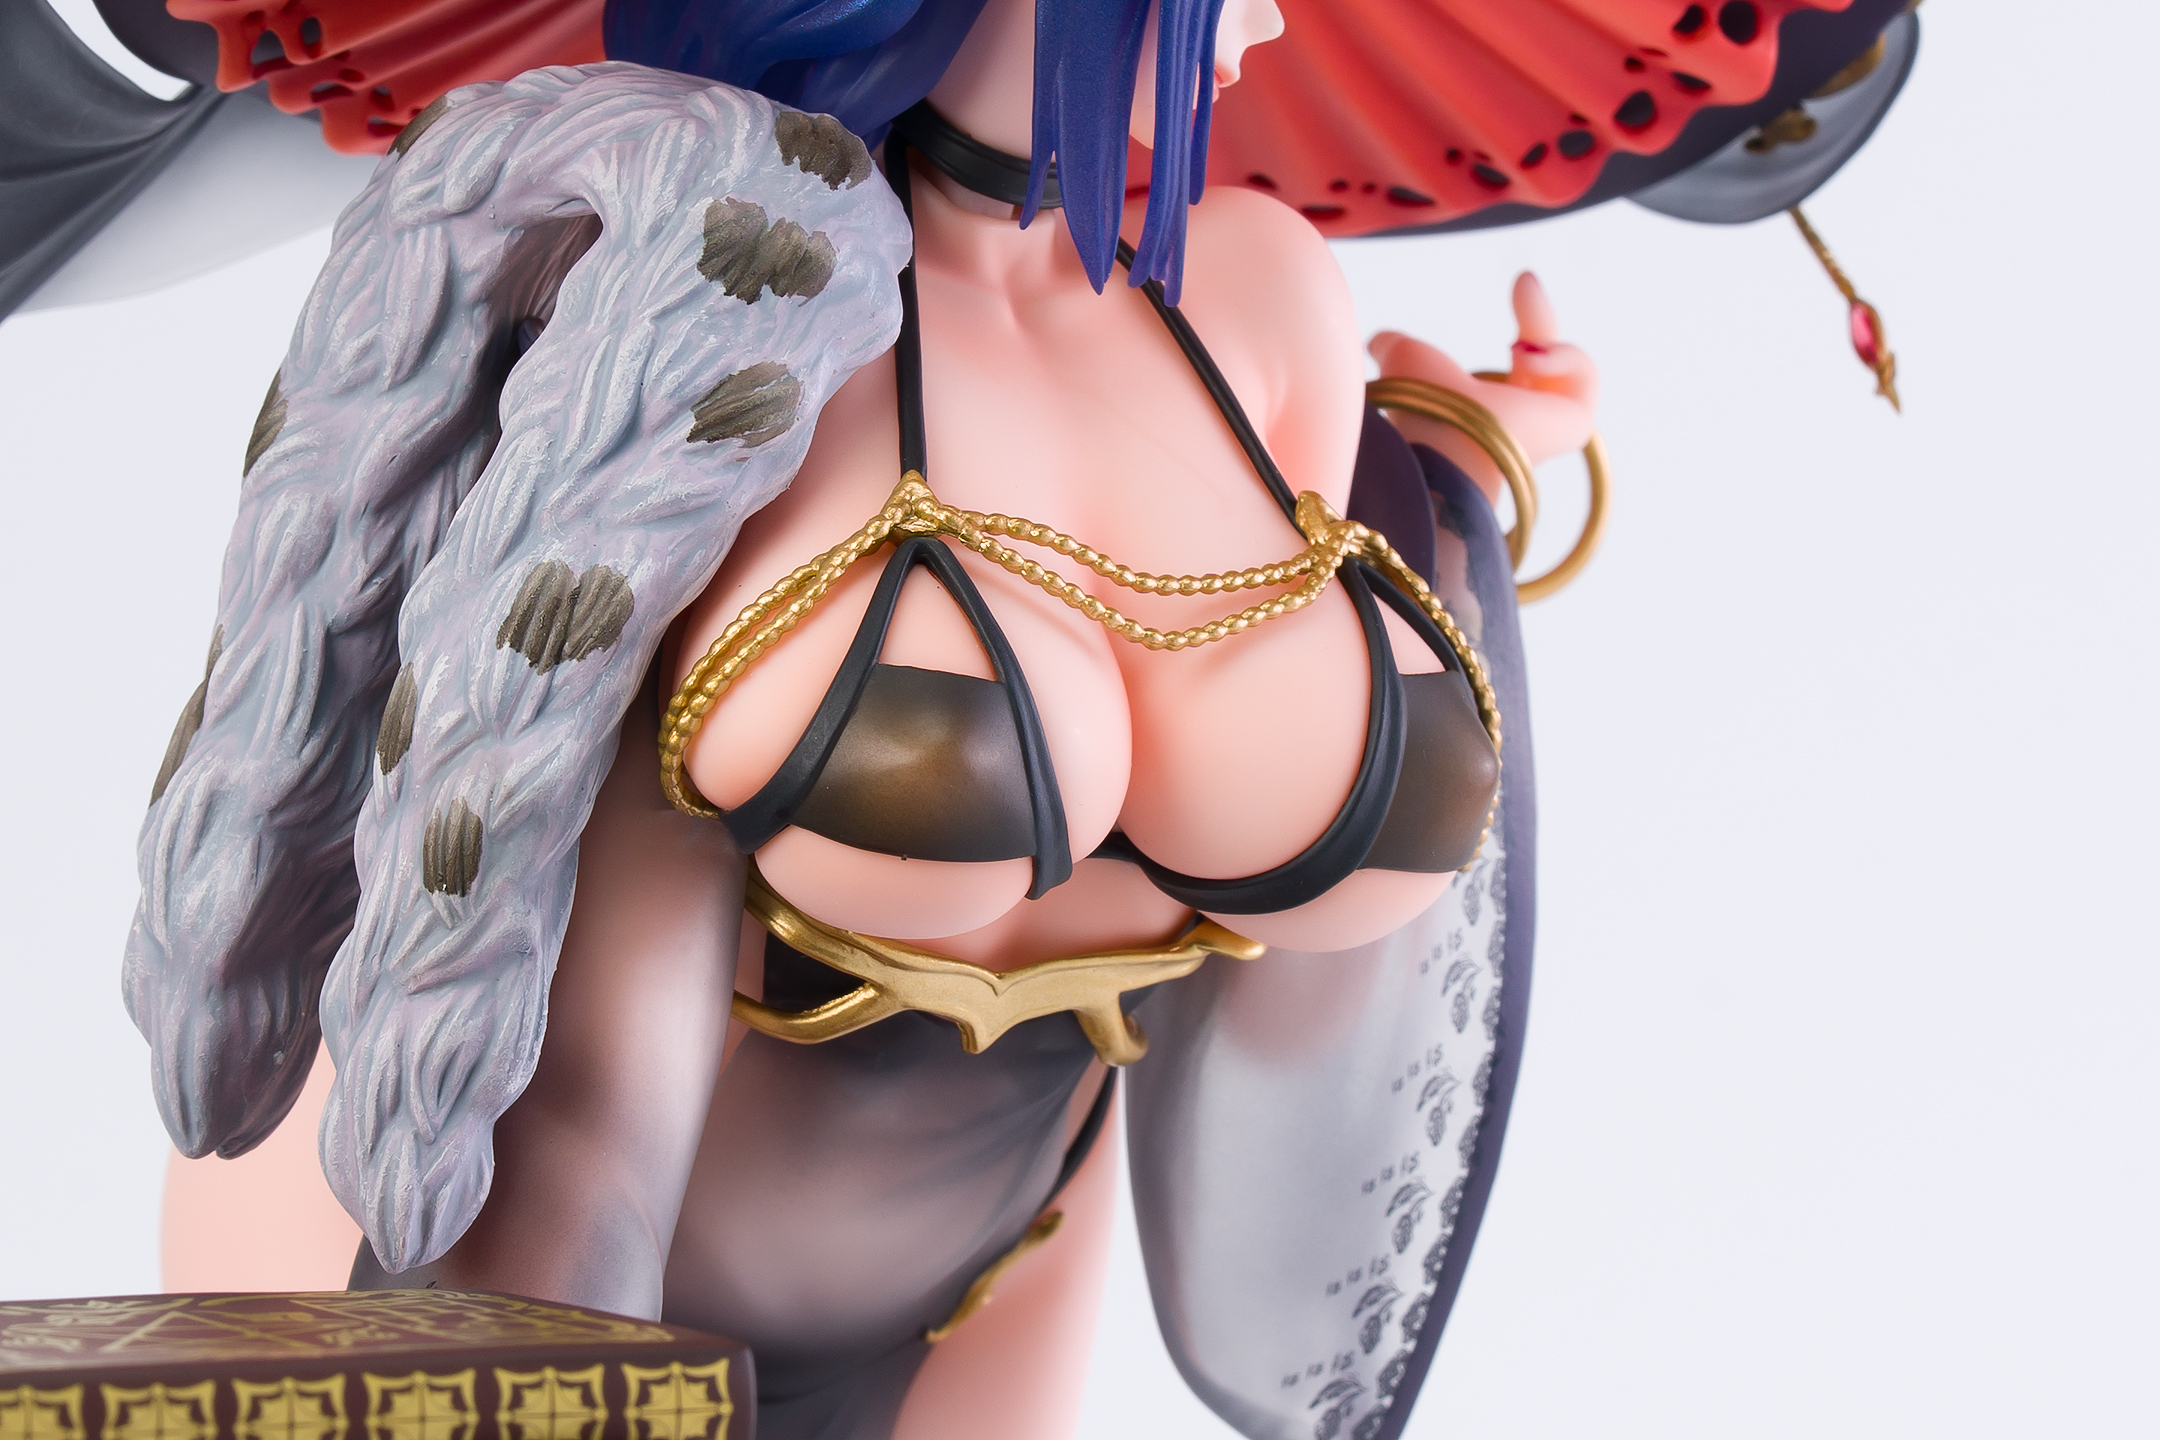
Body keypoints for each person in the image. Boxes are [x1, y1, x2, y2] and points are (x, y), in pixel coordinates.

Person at [57, 0, 1907, 1435]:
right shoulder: (730, 312)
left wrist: (1468, 457)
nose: (1283, 14)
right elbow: (578, 1081)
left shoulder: (1261, 291)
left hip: (1004, 1287)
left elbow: (1301, 588)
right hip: (487, 1256)